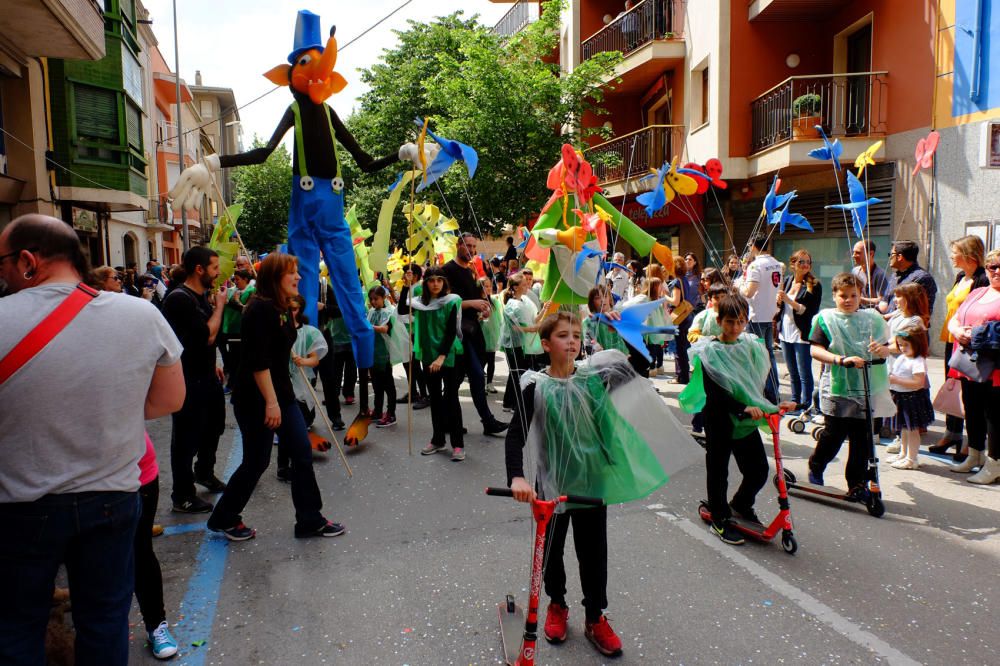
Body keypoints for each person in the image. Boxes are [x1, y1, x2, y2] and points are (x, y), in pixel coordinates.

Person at [0, 214, 185, 664]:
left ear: (27, 260)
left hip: (20, 504)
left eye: (2, 262)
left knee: (19, 625)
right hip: (112, 497)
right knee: (103, 620)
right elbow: (170, 400)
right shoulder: (141, 315)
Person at [505, 312, 696, 657]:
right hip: (551, 484)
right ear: (546, 345)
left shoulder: (596, 378)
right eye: (563, 335)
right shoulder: (535, 385)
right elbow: (516, 434)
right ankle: (558, 604)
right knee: (550, 552)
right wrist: (517, 476)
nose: (573, 341)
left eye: (576, 334)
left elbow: (638, 364)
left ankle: (595, 615)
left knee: (593, 552)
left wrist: (620, 328)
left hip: (591, 480)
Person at [208, 253, 345, 540]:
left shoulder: (280, 307)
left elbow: (275, 349)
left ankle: (309, 519)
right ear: (274, 278)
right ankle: (225, 517)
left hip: (280, 394)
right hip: (258, 399)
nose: (298, 277)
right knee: (257, 461)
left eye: (297, 272)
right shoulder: (260, 310)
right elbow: (259, 362)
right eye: (291, 273)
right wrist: (271, 402)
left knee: (301, 453)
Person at [679, 292, 797, 544]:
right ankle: (719, 518)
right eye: (730, 321)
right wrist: (742, 407)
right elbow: (715, 393)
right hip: (720, 420)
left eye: (740, 322)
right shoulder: (709, 351)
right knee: (718, 471)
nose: (735, 327)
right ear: (719, 320)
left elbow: (758, 382)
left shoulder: (751, 346)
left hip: (745, 421)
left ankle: (741, 504)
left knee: (758, 471)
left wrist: (774, 406)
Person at [806, 272, 894, 495]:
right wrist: (840, 360)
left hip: (866, 385)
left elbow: (889, 347)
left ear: (861, 296)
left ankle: (856, 482)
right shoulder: (826, 319)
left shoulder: (872, 319)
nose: (848, 300)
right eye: (843, 295)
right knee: (834, 434)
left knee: (862, 439)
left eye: (853, 295)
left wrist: (883, 349)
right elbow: (815, 349)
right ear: (834, 295)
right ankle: (816, 466)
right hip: (837, 385)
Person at [161, 247, 229, 513]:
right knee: (186, 439)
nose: (217, 273)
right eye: (214, 268)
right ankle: (183, 495)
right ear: (199, 269)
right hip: (186, 381)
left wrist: (214, 365)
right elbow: (206, 336)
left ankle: (204, 472)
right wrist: (220, 306)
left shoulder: (199, 297)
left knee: (214, 426)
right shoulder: (180, 299)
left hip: (206, 376)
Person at [442, 233, 508, 435]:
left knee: (457, 381)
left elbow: (473, 301)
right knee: (477, 376)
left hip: (473, 332)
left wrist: (482, 309)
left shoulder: (471, 271)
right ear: (458, 245)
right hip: (456, 334)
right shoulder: (447, 271)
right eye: (468, 245)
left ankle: (449, 422)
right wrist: (471, 303)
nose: (471, 250)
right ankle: (487, 422)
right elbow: (442, 303)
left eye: (474, 246)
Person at [946, 248, 1000, 483]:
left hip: (996, 366)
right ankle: (975, 454)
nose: (996, 271)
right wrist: (957, 331)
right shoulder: (977, 292)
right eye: (992, 267)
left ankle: (994, 463)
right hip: (970, 362)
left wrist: (979, 333)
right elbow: (956, 318)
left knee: (995, 416)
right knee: (972, 410)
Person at [932, 235, 988, 460]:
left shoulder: (982, 279)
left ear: (968, 255)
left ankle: (971, 441)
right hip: (950, 339)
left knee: (971, 394)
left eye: (955, 251)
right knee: (952, 388)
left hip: (967, 343)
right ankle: (951, 433)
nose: (952, 255)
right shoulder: (959, 276)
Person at [412, 268, 466, 460]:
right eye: (431, 280)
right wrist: (406, 284)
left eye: (439, 280)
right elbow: (402, 309)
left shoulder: (452, 301)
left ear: (444, 282)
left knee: (451, 399)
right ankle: (438, 440)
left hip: (448, 355)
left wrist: (441, 356)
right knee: (434, 399)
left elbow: (452, 331)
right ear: (425, 283)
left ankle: (458, 444)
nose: (435, 284)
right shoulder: (420, 303)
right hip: (428, 355)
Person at [276, 295, 329, 481]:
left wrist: (303, 361)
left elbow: (315, 359)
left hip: (302, 383)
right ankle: (283, 466)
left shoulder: (309, 332)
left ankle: (297, 462)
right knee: (286, 426)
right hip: (283, 385)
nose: (291, 312)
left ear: (301, 310)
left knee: (299, 424)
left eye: (295, 309)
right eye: (288, 308)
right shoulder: (279, 329)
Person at [777, 250, 822, 412]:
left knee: (804, 373)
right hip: (785, 332)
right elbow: (781, 309)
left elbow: (809, 311)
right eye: (801, 262)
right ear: (793, 264)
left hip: (801, 333)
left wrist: (788, 300)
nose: (805, 265)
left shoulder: (814, 285)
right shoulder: (787, 281)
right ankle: (795, 402)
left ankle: (806, 405)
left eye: (808, 262)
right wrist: (779, 302)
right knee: (792, 372)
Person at [740, 234, 783, 403]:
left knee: (757, 356)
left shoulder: (755, 265)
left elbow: (749, 291)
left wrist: (739, 286)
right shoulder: (776, 264)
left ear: (753, 246)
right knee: (768, 354)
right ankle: (773, 392)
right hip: (769, 314)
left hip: (756, 315)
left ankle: (762, 392)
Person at [885, 326, 934, 470]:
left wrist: (896, 380)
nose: (902, 347)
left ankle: (912, 458)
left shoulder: (918, 361)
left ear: (917, 343)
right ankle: (903, 453)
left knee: (912, 430)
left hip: (912, 398)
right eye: (900, 345)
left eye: (906, 345)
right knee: (904, 429)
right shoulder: (903, 357)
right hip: (900, 396)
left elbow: (918, 383)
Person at [318, 284, 357, 430]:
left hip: (324, 335)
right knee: (304, 380)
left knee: (330, 377)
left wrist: (324, 308)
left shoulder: (323, 286)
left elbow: (339, 310)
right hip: (300, 336)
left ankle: (336, 417)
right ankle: (305, 419)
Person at [501, 273, 544, 404]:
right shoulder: (512, 305)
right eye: (524, 284)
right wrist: (533, 329)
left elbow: (533, 319)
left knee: (518, 373)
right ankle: (512, 402)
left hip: (523, 344)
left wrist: (544, 311)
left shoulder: (525, 301)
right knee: (516, 374)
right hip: (514, 345)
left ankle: (510, 402)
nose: (527, 286)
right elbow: (515, 328)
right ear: (515, 287)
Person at [395, 263, 428, 408]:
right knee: (406, 363)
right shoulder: (409, 287)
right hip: (404, 329)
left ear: (415, 275)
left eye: (407, 274)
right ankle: (412, 391)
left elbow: (412, 310)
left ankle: (423, 394)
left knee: (415, 364)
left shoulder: (418, 289)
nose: (404, 277)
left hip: (413, 331)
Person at [367, 286, 400, 428]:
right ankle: (378, 411)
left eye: (376, 299)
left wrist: (366, 326)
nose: (374, 302)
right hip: (373, 353)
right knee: (376, 385)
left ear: (384, 298)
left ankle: (391, 413)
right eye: (372, 299)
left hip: (385, 354)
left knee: (388, 385)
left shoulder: (390, 311)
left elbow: (384, 329)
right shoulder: (371, 311)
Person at [880, 240, 938, 316]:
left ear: (899, 257)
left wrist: (885, 317)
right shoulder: (895, 276)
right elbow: (885, 301)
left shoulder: (922, 278)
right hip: (891, 325)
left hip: (909, 326)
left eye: (891, 254)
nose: (889, 257)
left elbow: (913, 311)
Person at [220, 269, 255, 391]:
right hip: (230, 329)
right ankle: (234, 384)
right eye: (234, 279)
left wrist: (236, 302)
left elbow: (247, 311)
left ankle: (234, 385)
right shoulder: (233, 290)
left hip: (242, 330)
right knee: (233, 359)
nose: (235, 282)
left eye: (238, 279)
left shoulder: (252, 291)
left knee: (239, 360)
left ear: (246, 279)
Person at [667, 256, 694, 383]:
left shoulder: (677, 282)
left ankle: (682, 376)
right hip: (686, 315)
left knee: (679, 348)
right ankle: (684, 374)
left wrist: (664, 296)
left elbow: (675, 301)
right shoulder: (684, 279)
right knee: (683, 346)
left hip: (679, 317)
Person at [479, 277, 502, 394]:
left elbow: (498, 318)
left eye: (489, 286)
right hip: (481, 334)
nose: (488, 288)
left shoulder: (493, 301)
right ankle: (480, 384)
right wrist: (480, 317)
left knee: (491, 360)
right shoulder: (477, 301)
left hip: (491, 334)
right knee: (482, 361)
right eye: (485, 286)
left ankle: (490, 383)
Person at [851, 240, 889, 308]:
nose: (853, 255)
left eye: (858, 253)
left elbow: (883, 301)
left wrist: (860, 299)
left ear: (871, 254)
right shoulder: (855, 271)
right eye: (853, 252)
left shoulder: (879, 274)